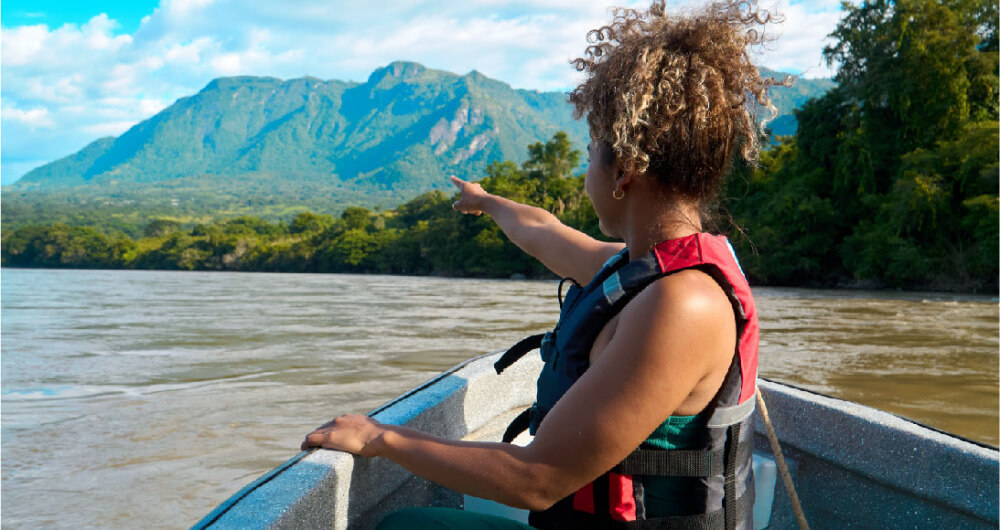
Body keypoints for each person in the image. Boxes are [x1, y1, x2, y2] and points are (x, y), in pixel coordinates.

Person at [302, 1, 786, 528]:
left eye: (590, 152)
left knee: (402, 527)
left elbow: (539, 479)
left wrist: (381, 438)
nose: (586, 174)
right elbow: (544, 232)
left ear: (622, 170)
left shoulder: (681, 305)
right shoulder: (639, 270)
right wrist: (486, 201)